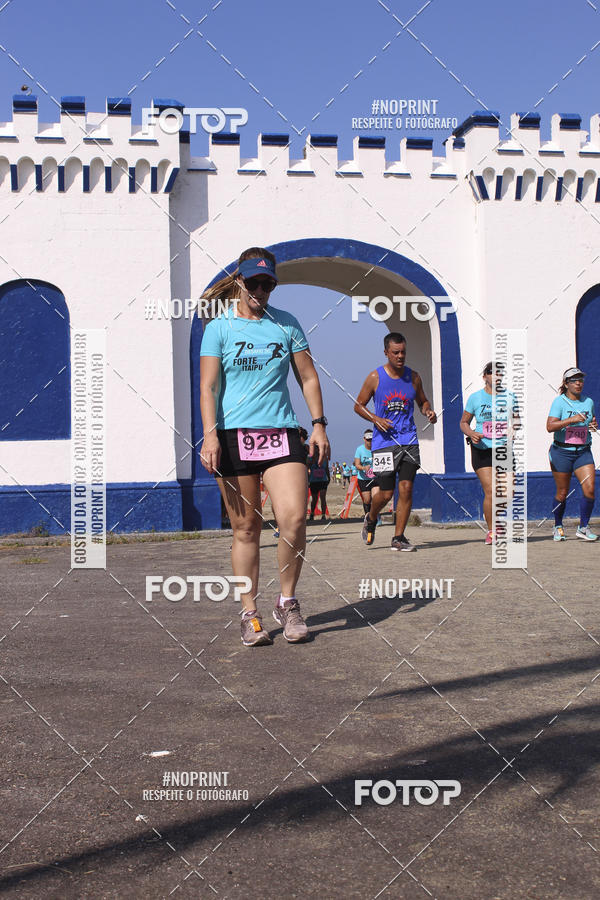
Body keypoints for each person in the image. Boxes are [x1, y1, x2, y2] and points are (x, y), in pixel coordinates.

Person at [200, 247, 330, 645]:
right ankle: (249, 612)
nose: (261, 290)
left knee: (293, 519)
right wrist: (209, 433)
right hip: (233, 435)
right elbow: (208, 385)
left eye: (268, 283)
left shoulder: (286, 324)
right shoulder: (219, 328)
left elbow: (308, 377)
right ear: (240, 281)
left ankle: (287, 603)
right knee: (246, 528)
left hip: (281, 432)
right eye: (254, 282)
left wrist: (319, 425)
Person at [354, 332, 436, 550]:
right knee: (386, 493)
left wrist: (428, 411)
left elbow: (423, 401)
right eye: (396, 352)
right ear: (386, 353)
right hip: (384, 444)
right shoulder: (375, 377)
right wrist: (376, 418)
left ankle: (398, 538)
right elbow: (358, 405)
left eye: (403, 352)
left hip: (408, 440)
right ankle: (371, 517)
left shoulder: (414, 377)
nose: (401, 356)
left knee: (407, 488)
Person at [460, 362, 521, 544]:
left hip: (503, 448)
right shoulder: (475, 398)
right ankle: (492, 530)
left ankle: (495, 516)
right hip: (482, 449)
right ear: (485, 376)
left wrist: (513, 428)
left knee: (508, 492)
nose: (497, 376)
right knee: (491, 491)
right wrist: (471, 433)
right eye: (492, 373)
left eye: (500, 373)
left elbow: (516, 420)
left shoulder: (510, 397)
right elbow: (463, 422)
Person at [547, 367, 598, 541]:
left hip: (583, 451)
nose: (578, 383)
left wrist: (592, 425)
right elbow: (550, 427)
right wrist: (571, 420)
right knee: (562, 492)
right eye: (574, 381)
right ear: (566, 384)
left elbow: (590, 421)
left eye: (581, 380)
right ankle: (557, 526)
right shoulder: (559, 402)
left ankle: (583, 527)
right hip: (561, 452)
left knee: (590, 489)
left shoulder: (588, 401)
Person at [354, 429, 379, 516]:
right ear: (364, 439)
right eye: (368, 440)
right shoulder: (359, 449)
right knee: (367, 499)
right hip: (363, 478)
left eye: (372, 439)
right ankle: (368, 517)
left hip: (375, 478)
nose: (370, 442)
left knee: (376, 498)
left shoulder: (378, 448)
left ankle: (375, 516)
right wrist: (364, 468)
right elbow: (357, 465)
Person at [307, 452, 330, 521]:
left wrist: (328, 478)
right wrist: (308, 479)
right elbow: (307, 468)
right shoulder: (310, 458)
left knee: (323, 498)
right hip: (313, 481)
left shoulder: (324, 458)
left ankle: (323, 515)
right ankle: (312, 513)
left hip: (323, 480)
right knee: (314, 499)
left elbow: (326, 469)